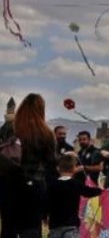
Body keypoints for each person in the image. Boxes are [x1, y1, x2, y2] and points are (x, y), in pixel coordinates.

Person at [1, 93, 59, 238]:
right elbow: (51, 164)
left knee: (9, 227)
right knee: (32, 227)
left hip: (10, 185)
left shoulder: (10, 128)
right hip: (35, 185)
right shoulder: (46, 133)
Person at [47, 153, 104, 238]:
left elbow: (46, 202)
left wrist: (44, 216)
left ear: (58, 169)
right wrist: (100, 189)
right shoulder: (75, 184)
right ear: (74, 168)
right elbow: (88, 192)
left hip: (55, 225)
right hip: (71, 225)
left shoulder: (52, 185)